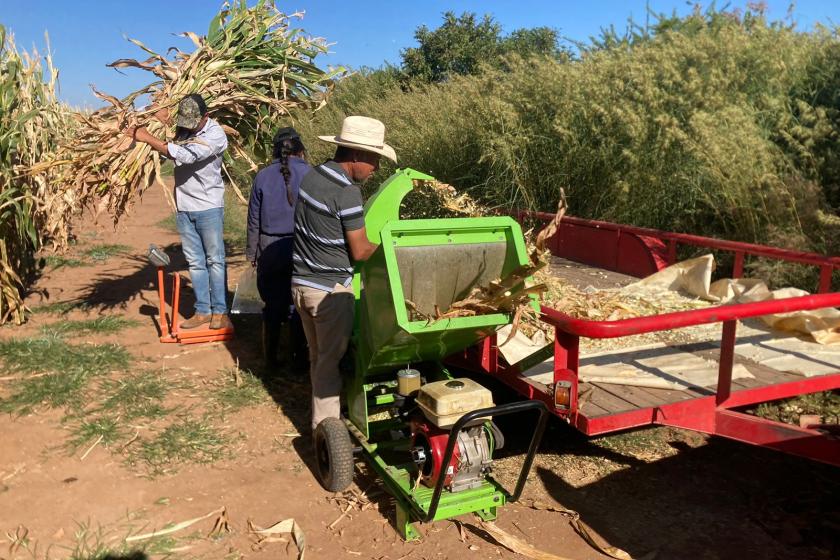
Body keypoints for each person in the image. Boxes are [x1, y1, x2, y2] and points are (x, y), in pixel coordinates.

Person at [291, 115, 397, 431]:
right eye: (374, 160)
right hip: (329, 292)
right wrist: (395, 248)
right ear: (356, 156)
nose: (376, 168)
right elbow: (362, 250)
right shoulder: (347, 192)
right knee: (329, 364)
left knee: (318, 357)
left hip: (300, 285)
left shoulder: (312, 176)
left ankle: (327, 415)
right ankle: (326, 430)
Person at [126, 94, 231, 330]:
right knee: (195, 262)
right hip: (184, 206)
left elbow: (184, 154)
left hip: (209, 207)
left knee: (215, 260)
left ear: (206, 116)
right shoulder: (185, 130)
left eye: (194, 122)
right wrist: (160, 118)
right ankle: (203, 311)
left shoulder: (215, 135)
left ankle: (220, 312)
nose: (189, 126)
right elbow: (172, 146)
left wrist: (145, 136)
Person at [245, 128, 310, 369]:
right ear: (300, 150)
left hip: (269, 248)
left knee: (273, 305)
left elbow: (253, 220)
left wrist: (252, 253)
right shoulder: (310, 174)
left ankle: (271, 361)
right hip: (302, 248)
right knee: (298, 306)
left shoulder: (262, 177)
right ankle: (300, 360)